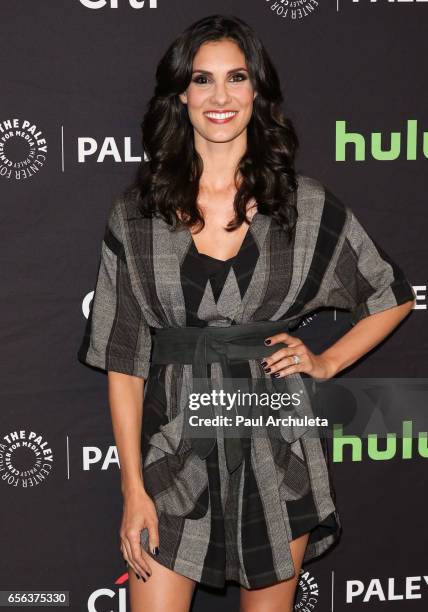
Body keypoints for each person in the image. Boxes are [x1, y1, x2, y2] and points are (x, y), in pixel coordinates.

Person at [77, 14, 416, 612]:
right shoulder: (137, 214)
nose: (220, 96)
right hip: (172, 451)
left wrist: (328, 361)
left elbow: (390, 293)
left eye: (236, 77)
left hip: (275, 447)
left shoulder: (302, 204)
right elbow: (125, 359)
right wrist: (133, 487)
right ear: (181, 93)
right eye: (203, 80)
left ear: (256, 90)